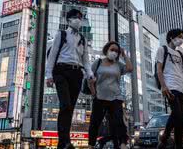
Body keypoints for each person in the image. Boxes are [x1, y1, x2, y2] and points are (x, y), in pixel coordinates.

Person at [45, 8, 93, 149]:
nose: (79, 20)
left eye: (81, 17)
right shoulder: (61, 34)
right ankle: (64, 141)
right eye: (76, 17)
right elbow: (52, 55)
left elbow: (86, 60)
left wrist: (90, 74)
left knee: (70, 108)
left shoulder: (82, 39)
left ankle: (65, 142)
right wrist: (49, 75)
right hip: (61, 71)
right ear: (69, 20)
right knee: (65, 105)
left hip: (76, 73)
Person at [156, 29, 183, 149]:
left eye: (182, 37)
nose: (181, 40)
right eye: (179, 37)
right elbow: (159, 69)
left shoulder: (181, 54)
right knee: (177, 114)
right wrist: (163, 86)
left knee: (180, 121)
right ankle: (165, 137)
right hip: (170, 86)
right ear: (171, 37)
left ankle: (177, 145)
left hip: (182, 89)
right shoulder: (162, 49)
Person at [88, 41, 133, 149]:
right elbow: (89, 78)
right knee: (95, 122)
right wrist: (94, 93)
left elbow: (130, 68)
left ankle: (123, 143)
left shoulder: (118, 65)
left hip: (116, 97)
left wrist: (124, 55)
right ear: (107, 50)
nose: (114, 52)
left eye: (116, 51)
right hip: (100, 98)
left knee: (118, 121)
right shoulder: (98, 62)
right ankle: (91, 144)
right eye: (112, 50)